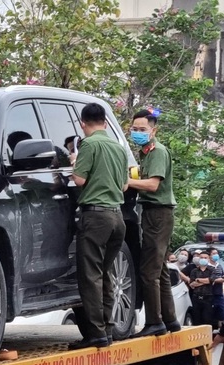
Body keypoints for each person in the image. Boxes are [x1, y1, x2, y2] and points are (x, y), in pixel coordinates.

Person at [68, 102, 128, 350]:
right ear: (104, 121)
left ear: (83, 124)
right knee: (104, 273)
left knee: (90, 276)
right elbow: (124, 186)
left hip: (95, 217)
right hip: (117, 218)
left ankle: (96, 334)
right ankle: (108, 328)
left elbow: (79, 179)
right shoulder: (118, 146)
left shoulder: (89, 144)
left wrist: (74, 161)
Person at [127, 107, 180, 337]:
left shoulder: (157, 151)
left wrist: (126, 181)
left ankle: (154, 322)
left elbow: (153, 185)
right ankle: (170, 320)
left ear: (153, 130)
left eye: (143, 129)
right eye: (135, 129)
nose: (137, 132)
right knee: (160, 271)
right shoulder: (145, 152)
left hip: (158, 213)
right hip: (154, 212)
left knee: (149, 271)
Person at [189, 250, 216, 326]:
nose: (203, 259)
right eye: (201, 257)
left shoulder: (212, 270)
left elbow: (211, 280)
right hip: (196, 297)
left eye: (205, 257)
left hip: (208, 297)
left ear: (209, 259)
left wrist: (198, 280)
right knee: (196, 320)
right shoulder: (194, 271)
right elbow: (192, 284)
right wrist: (206, 281)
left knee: (207, 319)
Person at [207, 246, 224, 330]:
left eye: (217, 253)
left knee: (221, 314)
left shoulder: (219, 266)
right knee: (211, 315)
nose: (216, 255)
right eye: (214, 253)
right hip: (210, 294)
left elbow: (221, 276)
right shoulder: (207, 267)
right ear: (209, 255)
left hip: (219, 293)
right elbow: (212, 279)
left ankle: (221, 332)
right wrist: (223, 279)